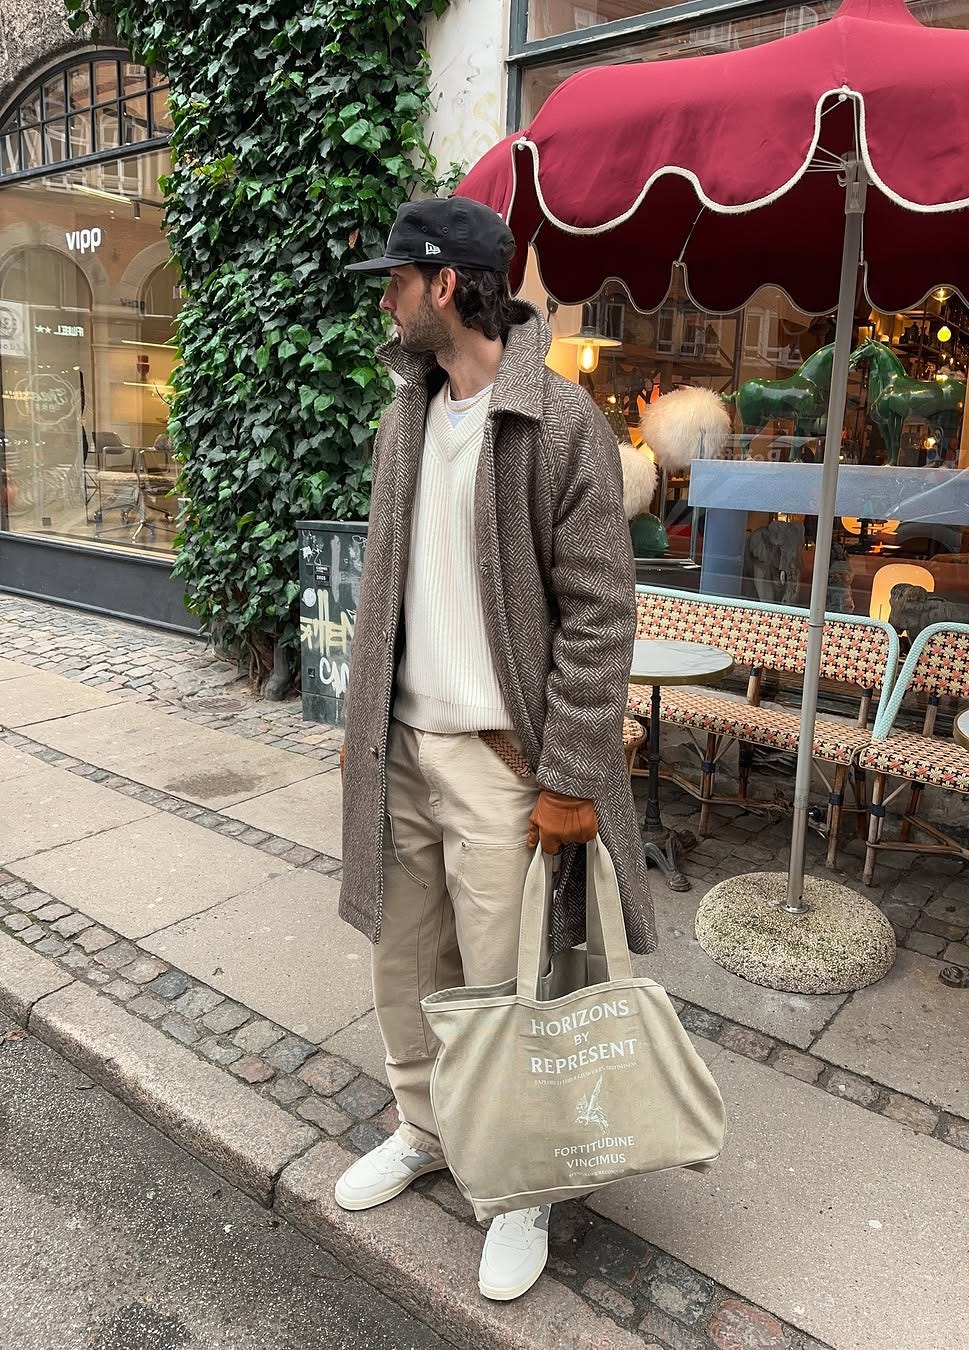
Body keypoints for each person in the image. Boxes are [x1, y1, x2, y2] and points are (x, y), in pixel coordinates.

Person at [335, 197, 655, 1303]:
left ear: (449, 287)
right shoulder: (404, 418)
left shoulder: (559, 425)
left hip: (498, 761)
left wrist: (569, 775)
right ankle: (424, 1129)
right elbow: (388, 591)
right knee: (405, 965)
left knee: (505, 987)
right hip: (401, 746)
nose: (384, 296)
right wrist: (359, 730)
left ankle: (518, 1188)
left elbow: (603, 616)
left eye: (396, 279)